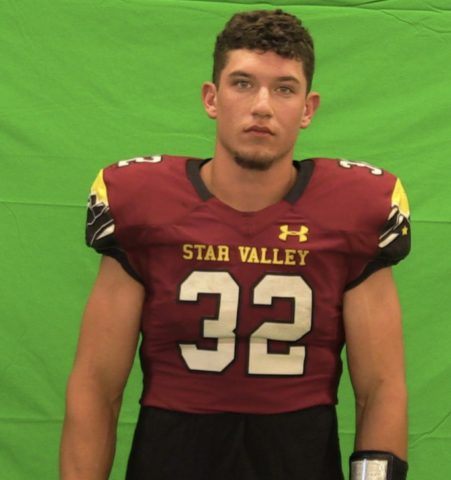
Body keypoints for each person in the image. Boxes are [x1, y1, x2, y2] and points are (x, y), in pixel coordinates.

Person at [60, 9, 411, 480]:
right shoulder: (143, 202)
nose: (262, 106)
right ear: (212, 97)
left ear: (308, 108)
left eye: (284, 88)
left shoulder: (355, 209)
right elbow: (96, 384)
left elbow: (381, 389)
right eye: (243, 83)